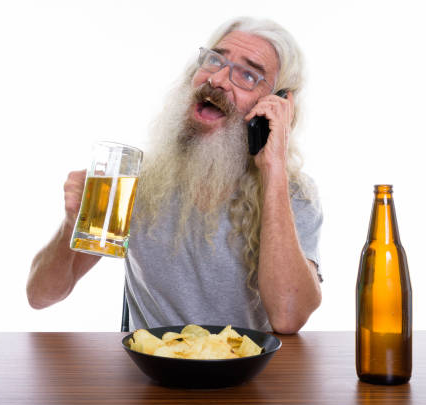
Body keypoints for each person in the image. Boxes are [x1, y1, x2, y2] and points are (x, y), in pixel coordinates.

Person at [27, 17, 323, 334]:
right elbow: (41, 295)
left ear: (275, 105)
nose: (219, 79)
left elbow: (288, 316)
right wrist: (71, 226)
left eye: (248, 75)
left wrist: (273, 167)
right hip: (153, 374)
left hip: (246, 377)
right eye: (214, 60)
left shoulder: (292, 194)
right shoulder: (134, 180)